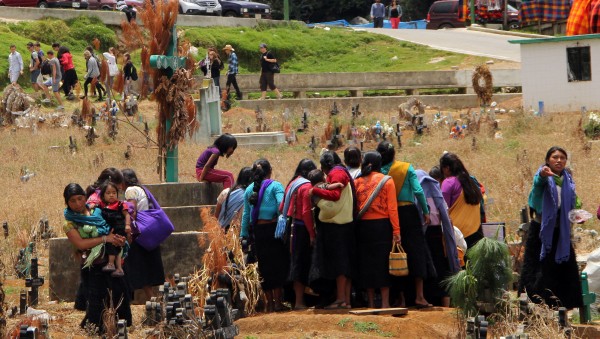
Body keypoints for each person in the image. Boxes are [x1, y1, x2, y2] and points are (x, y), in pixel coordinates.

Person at [519, 146, 583, 310]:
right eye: (555, 157)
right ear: (548, 160)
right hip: (542, 230)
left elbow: (573, 202)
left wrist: (577, 215)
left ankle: (563, 305)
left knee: (563, 267)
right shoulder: (543, 176)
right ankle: (537, 304)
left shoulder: (568, 181)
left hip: (561, 231)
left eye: (562, 157)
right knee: (540, 268)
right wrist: (542, 174)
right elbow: (537, 183)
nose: (559, 160)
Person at [63, 183, 131, 333]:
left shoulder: (97, 210)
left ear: (85, 197)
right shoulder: (69, 223)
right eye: (72, 201)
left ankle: (118, 331)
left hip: (111, 261)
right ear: (67, 203)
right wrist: (105, 239)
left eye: (80, 199)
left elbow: (114, 225)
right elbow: (81, 244)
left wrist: (119, 238)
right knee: (97, 304)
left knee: (120, 297)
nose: (77, 204)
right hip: (93, 266)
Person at [377, 141, 435, 308]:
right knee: (417, 253)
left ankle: (401, 297)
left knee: (395, 254)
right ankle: (419, 296)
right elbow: (418, 191)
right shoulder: (406, 167)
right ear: (394, 154)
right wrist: (425, 211)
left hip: (388, 216)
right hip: (408, 213)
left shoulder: (379, 172)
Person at [310, 151, 357, 310]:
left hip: (337, 227)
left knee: (339, 264)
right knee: (346, 264)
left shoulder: (336, 173)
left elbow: (335, 195)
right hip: (346, 224)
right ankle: (346, 300)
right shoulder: (342, 172)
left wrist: (315, 192)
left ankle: (341, 300)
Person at [240, 159, 288, 312]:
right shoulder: (276, 186)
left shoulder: (249, 190)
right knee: (278, 265)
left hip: (258, 233)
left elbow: (246, 215)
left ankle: (269, 304)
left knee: (265, 266)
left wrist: (243, 235)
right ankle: (279, 303)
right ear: (270, 170)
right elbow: (282, 205)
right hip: (274, 230)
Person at [354, 151, 400, 309]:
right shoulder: (387, 180)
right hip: (382, 226)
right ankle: (386, 303)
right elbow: (392, 209)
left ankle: (371, 303)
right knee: (383, 264)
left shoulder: (357, 181)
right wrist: (396, 232)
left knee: (367, 264)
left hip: (363, 227)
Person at [416, 168, 460, 307]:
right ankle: (445, 303)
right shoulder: (437, 193)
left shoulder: (418, 195)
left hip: (424, 234)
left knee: (428, 266)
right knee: (441, 267)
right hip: (438, 235)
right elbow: (446, 216)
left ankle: (428, 299)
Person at [122, 169, 166, 300]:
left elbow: (132, 211)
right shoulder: (142, 189)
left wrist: (127, 226)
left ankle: (149, 297)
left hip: (138, 233)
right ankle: (153, 298)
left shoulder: (130, 191)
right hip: (148, 233)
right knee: (148, 265)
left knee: (139, 267)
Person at [280, 159, 317, 310]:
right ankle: (300, 302)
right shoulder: (306, 185)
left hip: (291, 226)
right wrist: (312, 234)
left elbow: (282, 206)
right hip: (302, 228)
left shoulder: (292, 183)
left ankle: (297, 300)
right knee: (301, 264)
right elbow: (306, 212)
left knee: (295, 262)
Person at [439, 152, 484, 249]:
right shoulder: (470, 181)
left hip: (459, 235)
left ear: (447, 168)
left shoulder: (448, 183)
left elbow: (443, 208)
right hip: (476, 231)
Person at [98, 181, 131, 277]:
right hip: (111, 229)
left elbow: (127, 214)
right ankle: (119, 269)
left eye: (114, 193)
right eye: (108, 193)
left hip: (118, 228)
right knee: (117, 249)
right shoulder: (103, 206)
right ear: (103, 196)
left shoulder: (120, 204)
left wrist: (127, 225)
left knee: (112, 244)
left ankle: (111, 263)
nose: (111, 195)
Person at [215, 167, 253, 232]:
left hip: (220, 233)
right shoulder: (247, 196)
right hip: (236, 235)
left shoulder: (225, 192)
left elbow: (216, 215)